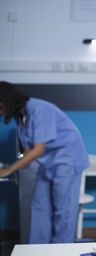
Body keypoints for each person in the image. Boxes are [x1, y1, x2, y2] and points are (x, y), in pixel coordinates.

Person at [0, 81, 89, 244]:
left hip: (67, 159)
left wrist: (9, 170)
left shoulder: (39, 109)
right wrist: (9, 166)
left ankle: (61, 254)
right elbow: (27, 151)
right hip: (47, 162)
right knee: (39, 207)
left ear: (8, 101)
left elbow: (38, 149)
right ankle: (38, 252)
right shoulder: (20, 117)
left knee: (63, 210)